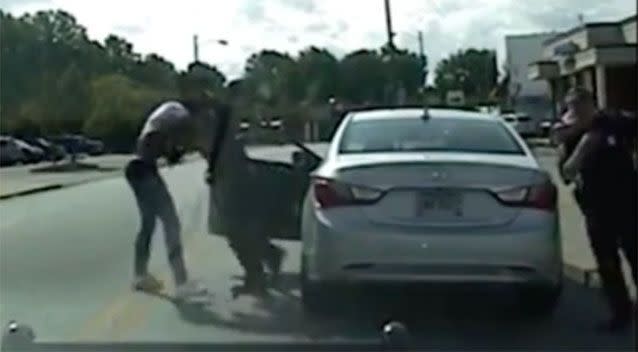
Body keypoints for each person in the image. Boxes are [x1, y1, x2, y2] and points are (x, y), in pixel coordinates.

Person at [558, 87, 637, 332]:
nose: (578, 113)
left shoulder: (614, 122)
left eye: (581, 107)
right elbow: (565, 174)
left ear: (592, 105)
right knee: (607, 265)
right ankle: (620, 314)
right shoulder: (573, 137)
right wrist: (578, 148)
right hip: (596, 210)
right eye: (573, 109)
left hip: (629, 205)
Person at [125, 98, 214, 299]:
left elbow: (166, 146)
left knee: (148, 224)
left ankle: (140, 276)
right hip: (146, 171)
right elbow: (183, 145)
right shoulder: (182, 115)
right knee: (171, 222)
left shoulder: (170, 111)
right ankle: (181, 283)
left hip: (135, 168)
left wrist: (175, 151)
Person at [205, 112, 286, 297]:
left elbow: (228, 159)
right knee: (238, 232)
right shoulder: (220, 131)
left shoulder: (224, 133)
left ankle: (257, 274)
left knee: (237, 231)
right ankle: (266, 260)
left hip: (237, 185)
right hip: (232, 183)